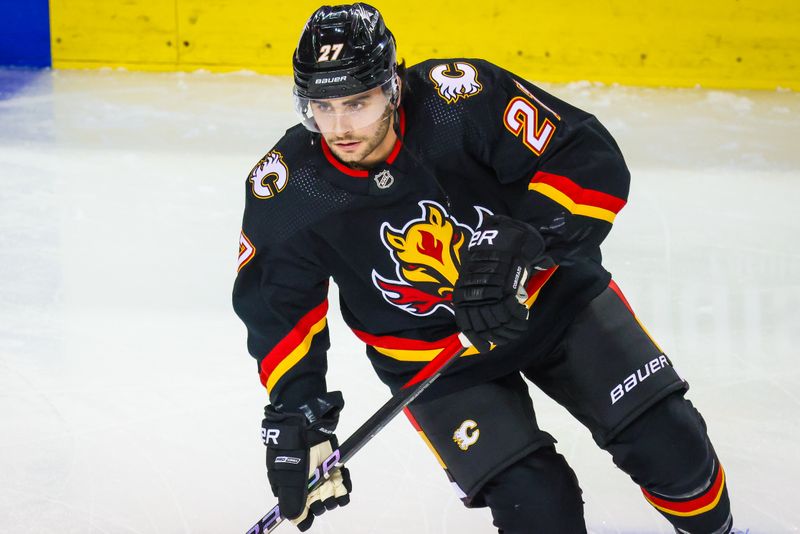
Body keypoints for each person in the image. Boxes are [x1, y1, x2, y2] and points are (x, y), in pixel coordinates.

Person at [233, 3, 738, 533]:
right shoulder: (288, 189)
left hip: (549, 301)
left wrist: (523, 244)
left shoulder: (460, 99)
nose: (339, 126)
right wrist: (297, 414)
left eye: (357, 102)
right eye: (321, 106)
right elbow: (280, 311)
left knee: (671, 447)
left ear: (393, 86)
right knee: (537, 505)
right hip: (438, 362)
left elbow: (586, 157)